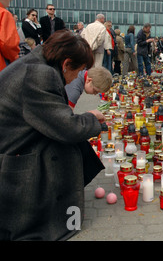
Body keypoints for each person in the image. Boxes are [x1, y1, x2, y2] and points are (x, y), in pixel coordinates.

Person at [0, 30, 106, 240]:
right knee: (70, 146)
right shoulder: (40, 75)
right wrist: (92, 119)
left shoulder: (36, 63)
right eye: (78, 71)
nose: (77, 77)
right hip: (12, 157)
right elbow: (67, 127)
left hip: (12, 141)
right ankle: (64, 218)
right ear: (66, 63)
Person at [0, 0, 20, 72]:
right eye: (9, 0)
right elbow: (8, 43)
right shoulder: (4, 13)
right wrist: (15, 59)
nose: (8, 5)